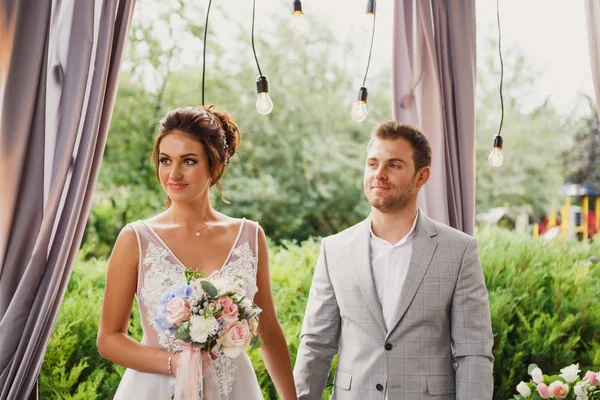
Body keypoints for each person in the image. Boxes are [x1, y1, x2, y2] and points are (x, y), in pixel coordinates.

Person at [97, 105, 297, 399]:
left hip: (234, 388)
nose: (173, 173)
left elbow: (267, 329)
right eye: (165, 160)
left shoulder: (250, 235)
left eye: (188, 161)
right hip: (156, 388)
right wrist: (174, 363)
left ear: (215, 166)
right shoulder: (136, 239)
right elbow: (109, 339)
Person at [293, 121, 494, 399]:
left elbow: (474, 353)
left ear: (422, 176)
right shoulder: (334, 249)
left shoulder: (459, 251)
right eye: (373, 163)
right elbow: (316, 346)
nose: (379, 174)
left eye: (394, 165)